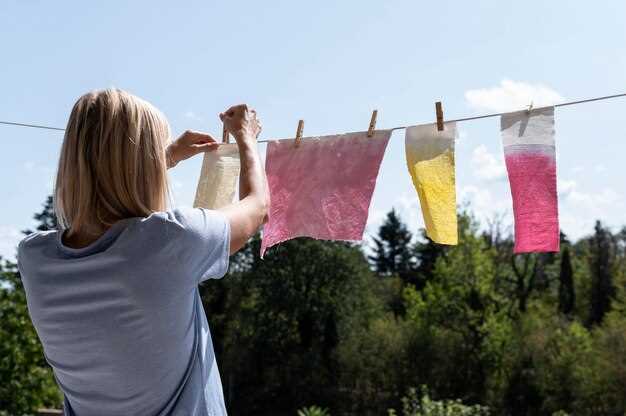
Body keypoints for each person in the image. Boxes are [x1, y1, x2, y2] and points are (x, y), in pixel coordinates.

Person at [17, 88, 269, 415]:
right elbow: (257, 207)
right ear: (144, 162)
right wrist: (246, 137)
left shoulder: (36, 259)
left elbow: (102, 199)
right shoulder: (170, 240)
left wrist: (164, 157)